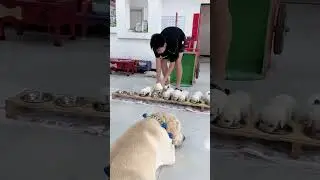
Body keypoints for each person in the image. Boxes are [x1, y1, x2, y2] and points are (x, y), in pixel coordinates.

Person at [150, 26, 186, 91]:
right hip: (168, 35)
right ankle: (167, 84)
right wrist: (158, 80)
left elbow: (171, 66)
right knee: (163, 62)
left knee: (178, 62)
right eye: (157, 50)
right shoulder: (156, 45)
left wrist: (163, 79)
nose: (158, 52)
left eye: (159, 50)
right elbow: (158, 64)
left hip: (180, 38)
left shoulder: (173, 45)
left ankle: (178, 86)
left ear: (165, 45)